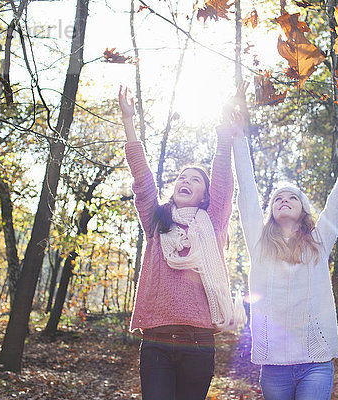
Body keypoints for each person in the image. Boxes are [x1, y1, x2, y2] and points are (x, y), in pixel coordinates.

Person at [232, 111, 338, 399]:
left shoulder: (318, 242)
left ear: (303, 209)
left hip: (315, 362)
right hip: (273, 366)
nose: (284, 201)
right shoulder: (259, 245)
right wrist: (239, 139)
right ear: (272, 211)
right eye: (278, 198)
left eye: (292, 197)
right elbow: (247, 194)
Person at [118, 85, 247, 400]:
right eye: (181, 178)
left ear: (204, 196)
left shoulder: (213, 222)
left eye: (195, 179)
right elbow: (142, 176)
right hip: (157, 341)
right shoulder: (156, 221)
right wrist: (128, 121)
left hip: (200, 342)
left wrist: (224, 125)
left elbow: (221, 178)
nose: (185, 181)